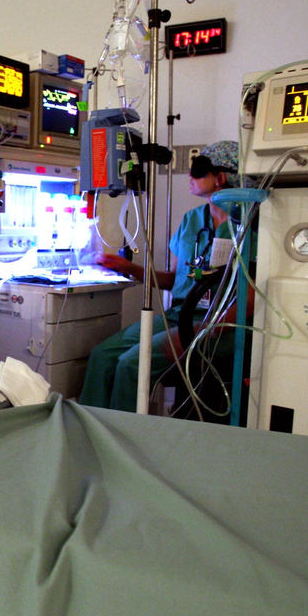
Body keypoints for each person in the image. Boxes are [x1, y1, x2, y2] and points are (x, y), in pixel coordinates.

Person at [78, 140, 247, 412]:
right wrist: (128, 268)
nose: (190, 177)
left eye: (198, 170)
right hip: (179, 314)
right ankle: (86, 430)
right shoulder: (192, 220)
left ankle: (122, 439)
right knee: (103, 355)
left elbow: (252, 295)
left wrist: (205, 329)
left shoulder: (248, 223)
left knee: (132, 364)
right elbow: (175, 280)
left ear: (221, 177)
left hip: (219, 324)